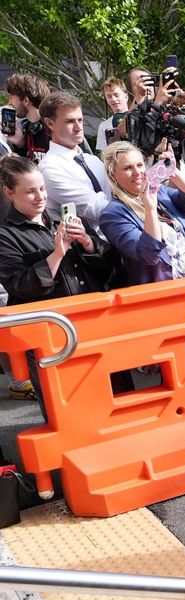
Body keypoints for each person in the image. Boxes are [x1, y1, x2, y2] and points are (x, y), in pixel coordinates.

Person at [0, 154, 115, 410]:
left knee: (110, 397)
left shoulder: (60, 219)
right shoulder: (5, 236)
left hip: (90, 324)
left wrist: (87, 242)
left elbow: (108, 263)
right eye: (30, 192)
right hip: (50, 338)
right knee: (68, 409)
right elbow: (21, 286)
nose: (40, 196)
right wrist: (58, 253)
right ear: (9, 192)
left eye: (42, 189)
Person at [99, 141, 185, 284]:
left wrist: (173, 172)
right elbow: (148, 254)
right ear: (113, 175)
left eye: (140, 165)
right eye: (128, 168)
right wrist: (150, 209)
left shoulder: (159, 191)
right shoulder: (112, 214)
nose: (137, 172)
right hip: (165, 289)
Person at [36, 92, 111, 232]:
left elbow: (125, 191)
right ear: (50, 123)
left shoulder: (93, 160)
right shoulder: (49, 168)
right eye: (70, 121)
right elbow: (95, 208)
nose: (78, 127)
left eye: (80, 120)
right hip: (96, 248)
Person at [4, 73, 52, 164]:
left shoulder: (55, 128)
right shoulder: (25, 129)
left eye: (11, 97)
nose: (9, 102)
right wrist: (20, 145)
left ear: (25, 100)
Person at [94, 77, 129, 154]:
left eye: (116, 95)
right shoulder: (104, 126)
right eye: (109, 96)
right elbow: (104, 155)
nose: (113, 99)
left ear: (126, 96)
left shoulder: (137, 118)